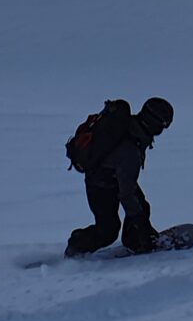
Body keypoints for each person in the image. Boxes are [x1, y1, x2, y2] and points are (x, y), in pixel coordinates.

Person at [66, 96, 175, 257]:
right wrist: (142, 227)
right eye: (163, 126)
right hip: (101, 185)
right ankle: (77, 247)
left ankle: (134, 241)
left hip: (109, 177)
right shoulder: (130, 150)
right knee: (108, 231)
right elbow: (126, 194)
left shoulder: (131, 128)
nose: (162, 130)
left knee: (140, 206)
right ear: (155, 124)